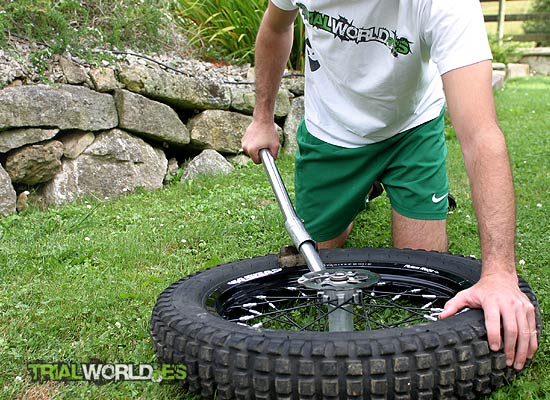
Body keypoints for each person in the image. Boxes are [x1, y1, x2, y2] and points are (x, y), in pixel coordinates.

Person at [241, 0, 538, 370]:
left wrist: (499, 274)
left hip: (411, 127)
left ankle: (390, 180)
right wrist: (263, 118)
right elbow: (275, 27)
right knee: (319, 258)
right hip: (332, 132)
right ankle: (363, 188)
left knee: (419, 275)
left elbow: (481, 136)